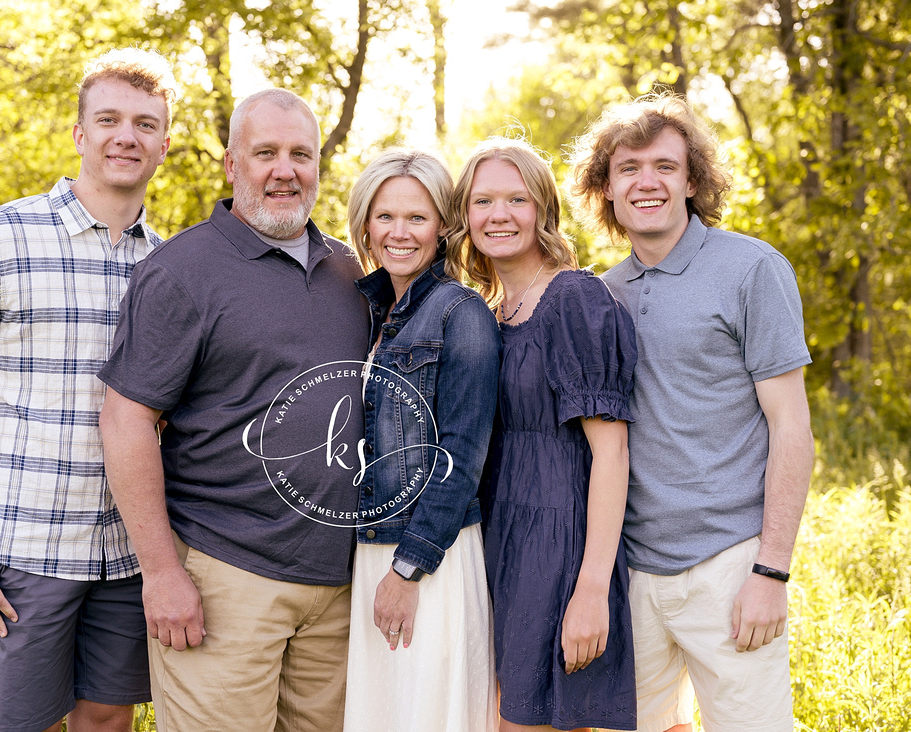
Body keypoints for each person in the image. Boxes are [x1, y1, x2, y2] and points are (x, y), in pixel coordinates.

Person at [0, 48, 177, 732]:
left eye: (145, 124)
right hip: (25, 548)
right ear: (79, 133)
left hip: (125, 552)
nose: (127, 135)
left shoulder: (170, 264)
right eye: (110, 119)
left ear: (165, 143)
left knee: (106, 720)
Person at [97, 88, 370, 732]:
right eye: (265, 152)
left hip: (339, 587)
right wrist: (162, 573)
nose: (285, 170)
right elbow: (127, 421)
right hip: (225, 577)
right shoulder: (182, 271)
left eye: (300, 154)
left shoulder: (352, 273)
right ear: (230, 163)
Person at [568, 92, 815, 732]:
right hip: (634, 571)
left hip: (730, 566)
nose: (647, 182)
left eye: (665, 167)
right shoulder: (602, 294)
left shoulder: (751, 269)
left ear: (693, 180)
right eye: (628, 168)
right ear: (606, 186)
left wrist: (770, 570)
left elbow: (792, 428)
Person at [451, 138, 638, 732]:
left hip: (558, 546)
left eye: (516, 199)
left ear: (543, 210)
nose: (498, 215)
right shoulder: (487, 308)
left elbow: (611, 452)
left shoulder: (573, 299)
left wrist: (590, 591)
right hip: (496, 539)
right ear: (465, 216)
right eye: (483, 201)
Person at [341, 148, 501, 731]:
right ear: (365, 224)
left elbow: (461, 458)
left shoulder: (462, 315)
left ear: (444, 226)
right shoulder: (381, 313)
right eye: (385, 217)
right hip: (375, 550)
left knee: (427, 713)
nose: (400, 232)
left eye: (417, 217)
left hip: (430, 557)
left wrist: (408, 571)